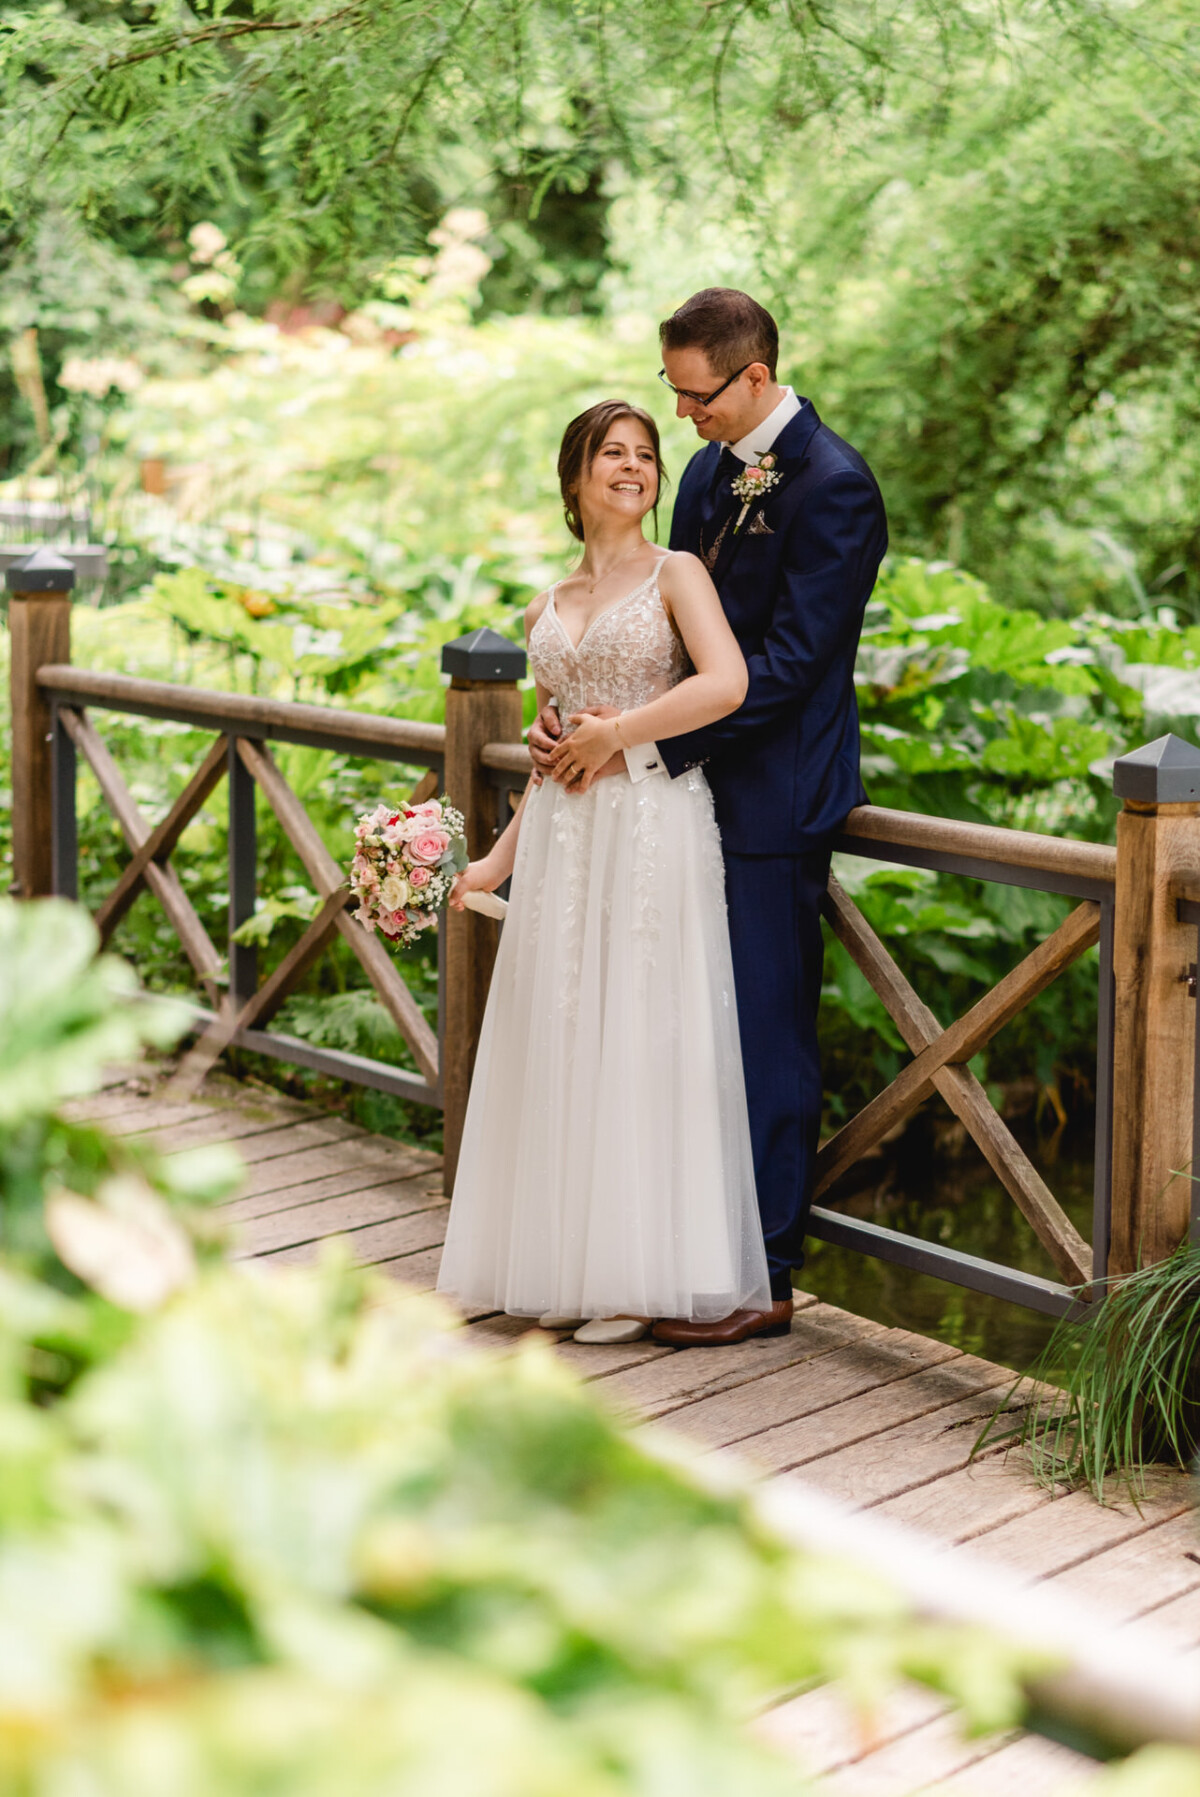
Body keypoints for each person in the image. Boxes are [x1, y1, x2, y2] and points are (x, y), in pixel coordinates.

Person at [530, 289, 887, 1347]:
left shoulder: (837, 485)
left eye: (695, 395)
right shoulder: (705, 475)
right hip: (669, 808)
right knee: (680, 1032)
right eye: (672, 393)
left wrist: (635, 741)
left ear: (755, 379)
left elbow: (783, 668)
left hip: (775, 801)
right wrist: (581, 733)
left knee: (766, 1038)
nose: (682, 416)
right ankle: (674, 1253)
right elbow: (666, 641)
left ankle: (764, 1276)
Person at [435, 400, 773, 1344]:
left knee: (639, 1029)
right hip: (567, 840)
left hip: (651, 825)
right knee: (563, 1028)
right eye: (613, 454)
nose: (634, 467)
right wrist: (494, 859)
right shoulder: (546, 603)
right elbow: (550, 759)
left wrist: (620, 734)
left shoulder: (680, 572)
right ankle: (558, 1262)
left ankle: (636, 1275)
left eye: (646, 455)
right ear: (575, 476)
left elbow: (727, 681)